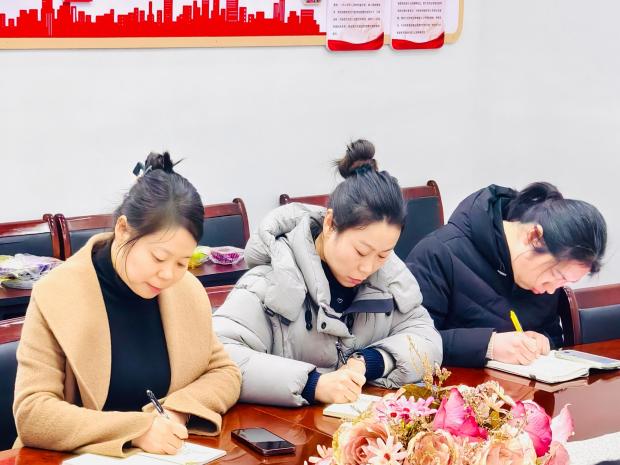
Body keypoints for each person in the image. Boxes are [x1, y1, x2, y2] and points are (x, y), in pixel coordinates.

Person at [13, 153, 241, 457]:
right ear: (123, 229)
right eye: (159, 257)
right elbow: (33, 412)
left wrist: (177, 411)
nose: (168, 274)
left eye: (181, 263)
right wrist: (137, 429)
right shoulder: (56, 293)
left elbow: (225, 372)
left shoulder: (186, 291)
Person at [213, 139, 442, 407]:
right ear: (330, 224)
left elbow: (427, 338)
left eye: (383, 255)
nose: (368, 267)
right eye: (360, 251)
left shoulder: (390, 281)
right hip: (285, 429)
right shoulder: (269, 282)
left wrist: (371, 361)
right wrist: (312, 384)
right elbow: (220, 356)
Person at [406, 182, 607, 368]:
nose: (552, 289)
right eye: (556, 274)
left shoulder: (545, 283)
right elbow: (410, 342)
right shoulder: (439, 252)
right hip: (453, 390)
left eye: (566, 281)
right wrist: (488, 346)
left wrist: (543, 341)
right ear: (534, 237)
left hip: (524, 391)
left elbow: (553, 334)